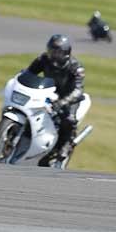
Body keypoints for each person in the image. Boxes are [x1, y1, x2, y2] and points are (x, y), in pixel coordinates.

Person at [26, 34, 85, 163]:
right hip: (48, 93)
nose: (54, 55)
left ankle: (64, 146)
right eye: (52, 51)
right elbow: (28, 73)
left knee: (69, 119)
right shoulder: (43, 59)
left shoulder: (76, 67)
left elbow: (78, 90)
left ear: (66, 53)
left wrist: (63, 102)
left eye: (58, 52)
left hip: (69, 98)